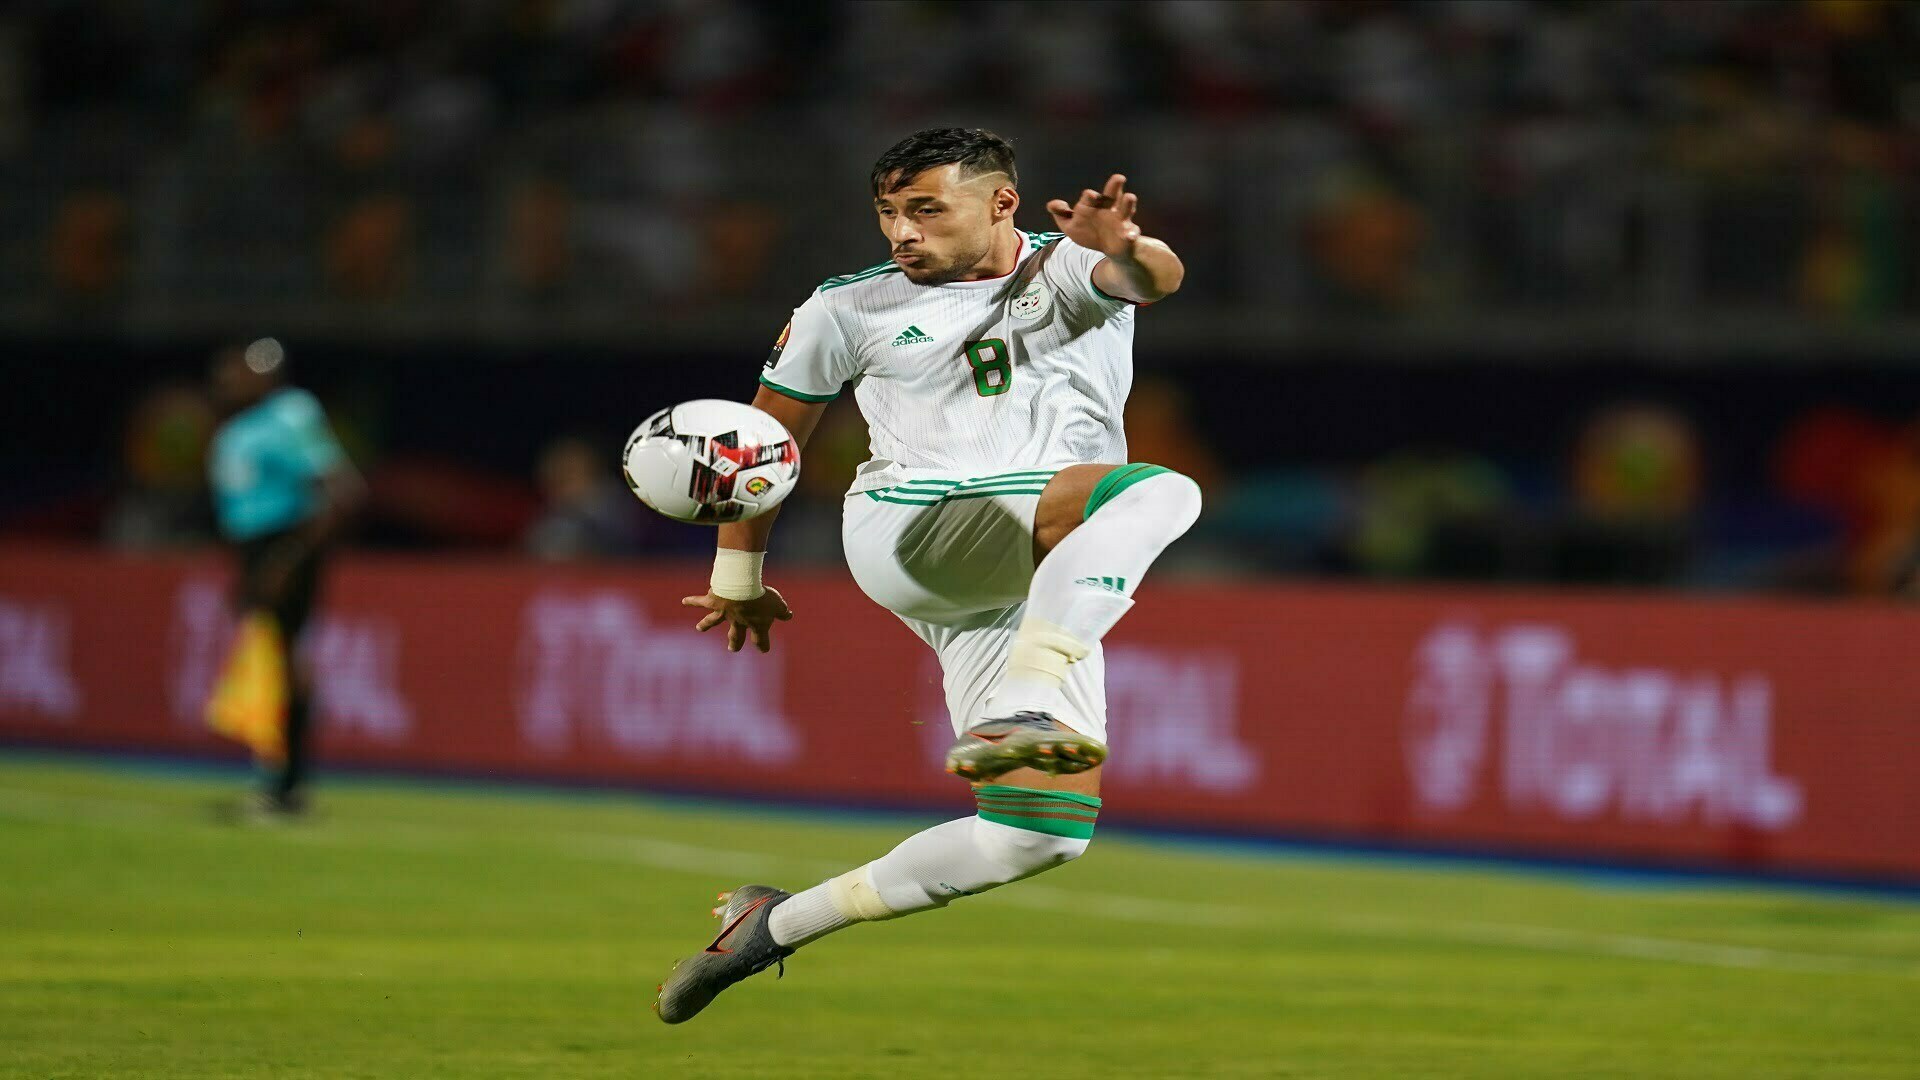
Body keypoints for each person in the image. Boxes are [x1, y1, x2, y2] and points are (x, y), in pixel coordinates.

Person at [656, 129, 1198, 1023]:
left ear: (1001, 204)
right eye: (889, 214)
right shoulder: (846, 306)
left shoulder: (1067, 270)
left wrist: (1129, 247)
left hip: (1023, 575)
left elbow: (1152, 279)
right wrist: (737, 573)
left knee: (1034, 836)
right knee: (1159, 494)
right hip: (910, 525)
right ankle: (1027, 695)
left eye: (925, 210)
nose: (901, 233)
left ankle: (772, 925)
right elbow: (765, 441)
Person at [207, 338, 363, 818]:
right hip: (256, 552)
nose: (225, 380)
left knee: (286, 662)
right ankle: (272, 780)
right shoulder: (238, 426)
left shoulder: (290, 415)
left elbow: (340, 492)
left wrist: (286, 562)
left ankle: (287, 785)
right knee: (266, 664)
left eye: (236, 371)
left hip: (285, 547)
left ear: (264, 375)